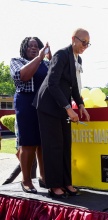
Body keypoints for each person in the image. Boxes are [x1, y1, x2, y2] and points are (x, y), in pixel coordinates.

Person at [33, 28, 90, 199]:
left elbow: (73, 85)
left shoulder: (77, 58)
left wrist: (80, 104)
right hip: (48, 107)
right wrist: (68, 107)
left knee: (66, 144)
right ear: (73, 38)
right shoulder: (61, 54)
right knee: (54, 146)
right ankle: (54, 186)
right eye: (83, 42)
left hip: (62, 107)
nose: (85, 46)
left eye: (88, 44)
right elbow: (52, 83)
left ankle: (67, 183)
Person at [9, 37, 51, 193]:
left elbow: (56, 78)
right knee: (28, 143)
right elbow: (23, 76)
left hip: (44, 104)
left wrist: (50, 57)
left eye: (36, 46)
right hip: (26, 103)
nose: (33, 48)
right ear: (24, 48)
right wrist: (39, 57)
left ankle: (44, 177)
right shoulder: (16, 61)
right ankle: (26, 180)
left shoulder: (46, 63)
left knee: (43, 143)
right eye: (30, 46)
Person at [2, 120, 37, 185]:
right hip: (23, 143)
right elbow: (20, 132)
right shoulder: (22, 115)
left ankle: (32, 180)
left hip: (22, 143)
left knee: (31, 163)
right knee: (28, 162)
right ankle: (9, 181)